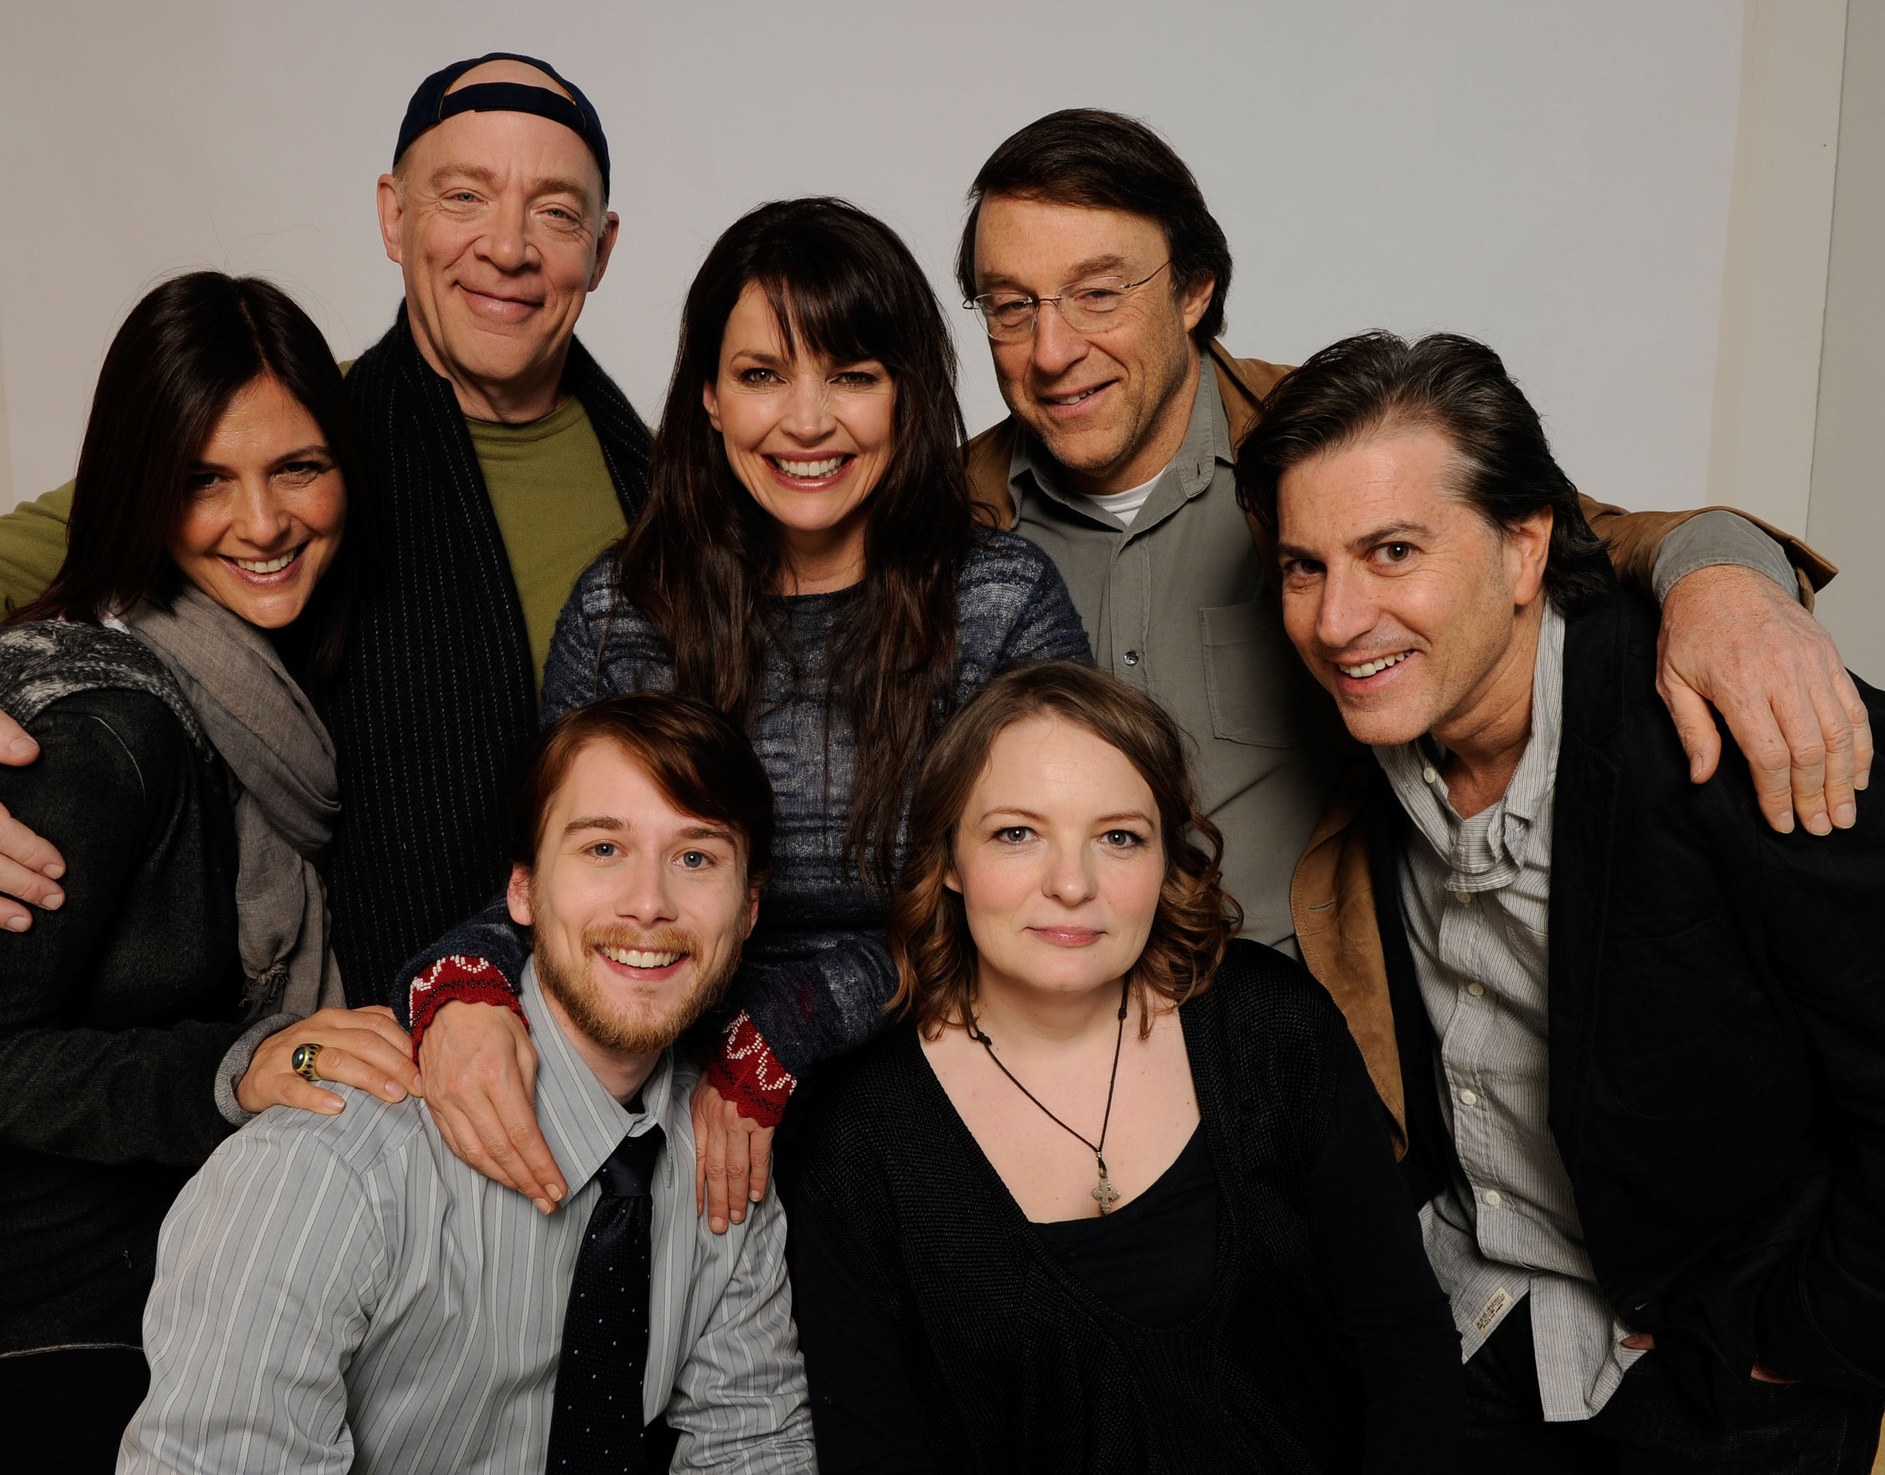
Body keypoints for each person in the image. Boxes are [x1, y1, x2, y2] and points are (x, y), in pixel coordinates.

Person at [953, 108, 1870, 992]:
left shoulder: (1320, 450)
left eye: (1099, 293)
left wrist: (1725, 583)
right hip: (1045, 1038)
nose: (1052, 349)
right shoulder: (942, 521)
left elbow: (1572, 532)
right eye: (1010, 306)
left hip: (1321, 1044)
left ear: (1194, 292)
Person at [0, 52, 648, 1019]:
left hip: (627, 1011)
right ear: (395, 214)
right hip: (377, 1031)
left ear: (600, 248)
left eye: (555, 212)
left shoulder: (672, 485)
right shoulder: (306, 439)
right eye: (465, 195)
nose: (507, 247)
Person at [1238, 329, 1885, 1470]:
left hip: (1714, 1375)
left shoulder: (1730, 715)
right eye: (1303, 565)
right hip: (1477, 1321)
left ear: (1524, 545)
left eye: (1392, 550)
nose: (1336, 620)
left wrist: (1802, 1333)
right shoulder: (1381, 749)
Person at [401, 197, 1092, 1229]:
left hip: (942, 1060)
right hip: (661, 1051)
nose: (804, 420)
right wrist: (455, 986)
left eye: (850, 375)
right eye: (761, 375)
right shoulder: (621, 609)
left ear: (907, 394)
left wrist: (787, 1022)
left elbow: (1046, 898)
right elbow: (555, 876)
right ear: (710, 400)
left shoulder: (996, 602)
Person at [0, 273, 422, 1475]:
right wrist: (239, 1061)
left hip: (163, 1247)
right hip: (26, 1307)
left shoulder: (262, 678)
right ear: (139, 485)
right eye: (206, 478)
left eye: (297, 467)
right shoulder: (99, 729)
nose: (260, 521)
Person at [781, 661, 1461, 1473]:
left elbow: (1403, 1339)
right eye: (1016, 833)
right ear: (950, 860)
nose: (1072, 884)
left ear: (1167, 857)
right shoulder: (856, 1144)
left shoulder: (1271, 1026)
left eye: (1118, 837)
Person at [119, 693, 817, 1474]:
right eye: (602, 850)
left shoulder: (719, 1151)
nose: (649, 903)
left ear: (749, 909)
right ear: (520, 892)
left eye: (696, 858)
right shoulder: (328, 1169)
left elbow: (753, 1447)